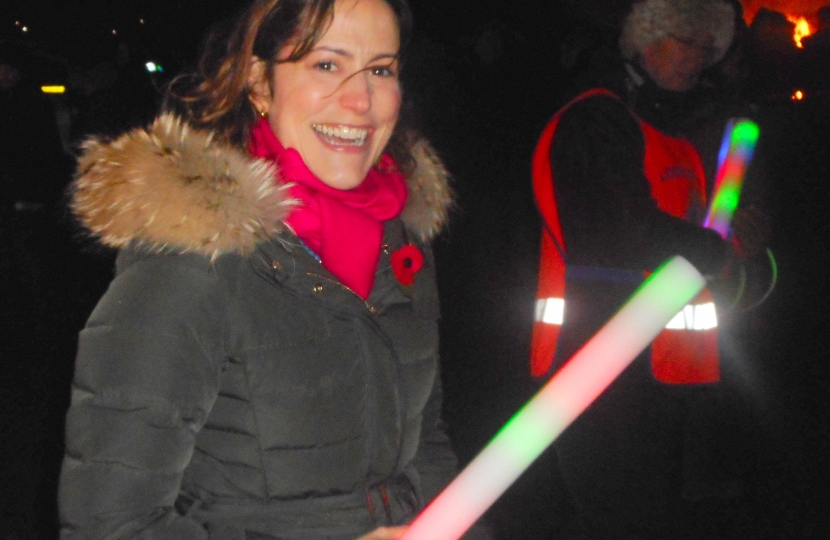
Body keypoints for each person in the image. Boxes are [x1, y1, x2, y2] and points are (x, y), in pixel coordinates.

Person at [58, 1, 490, 538]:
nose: (361, 101)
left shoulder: (401, 245)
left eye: (381, 69)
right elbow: (111, 523)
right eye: (326, 65)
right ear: (260, 84)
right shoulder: (192, 261)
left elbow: (424, 447)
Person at [528, 0, 764, 538]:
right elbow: (625, 231)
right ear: (645, 39)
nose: (697, 58)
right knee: (615, 512)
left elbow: (684, 230)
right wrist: (715, 249)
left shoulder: (667, 129)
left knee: (643, 512)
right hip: (598, 358)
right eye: (685, 40)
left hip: (657, 371)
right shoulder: (596, 117)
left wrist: (737, 236)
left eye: (707, 47)